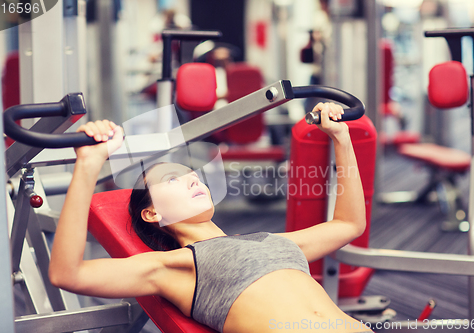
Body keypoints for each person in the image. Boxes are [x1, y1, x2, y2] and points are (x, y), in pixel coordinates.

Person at [49, 102, 372, 333]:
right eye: (172, 179)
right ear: (152, 213)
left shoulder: (273, 243)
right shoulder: (175, 267)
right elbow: (68, 274)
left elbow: (349, 224)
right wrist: (89, 166)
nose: (192, 179)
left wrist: (341, 138)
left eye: (191, 174)